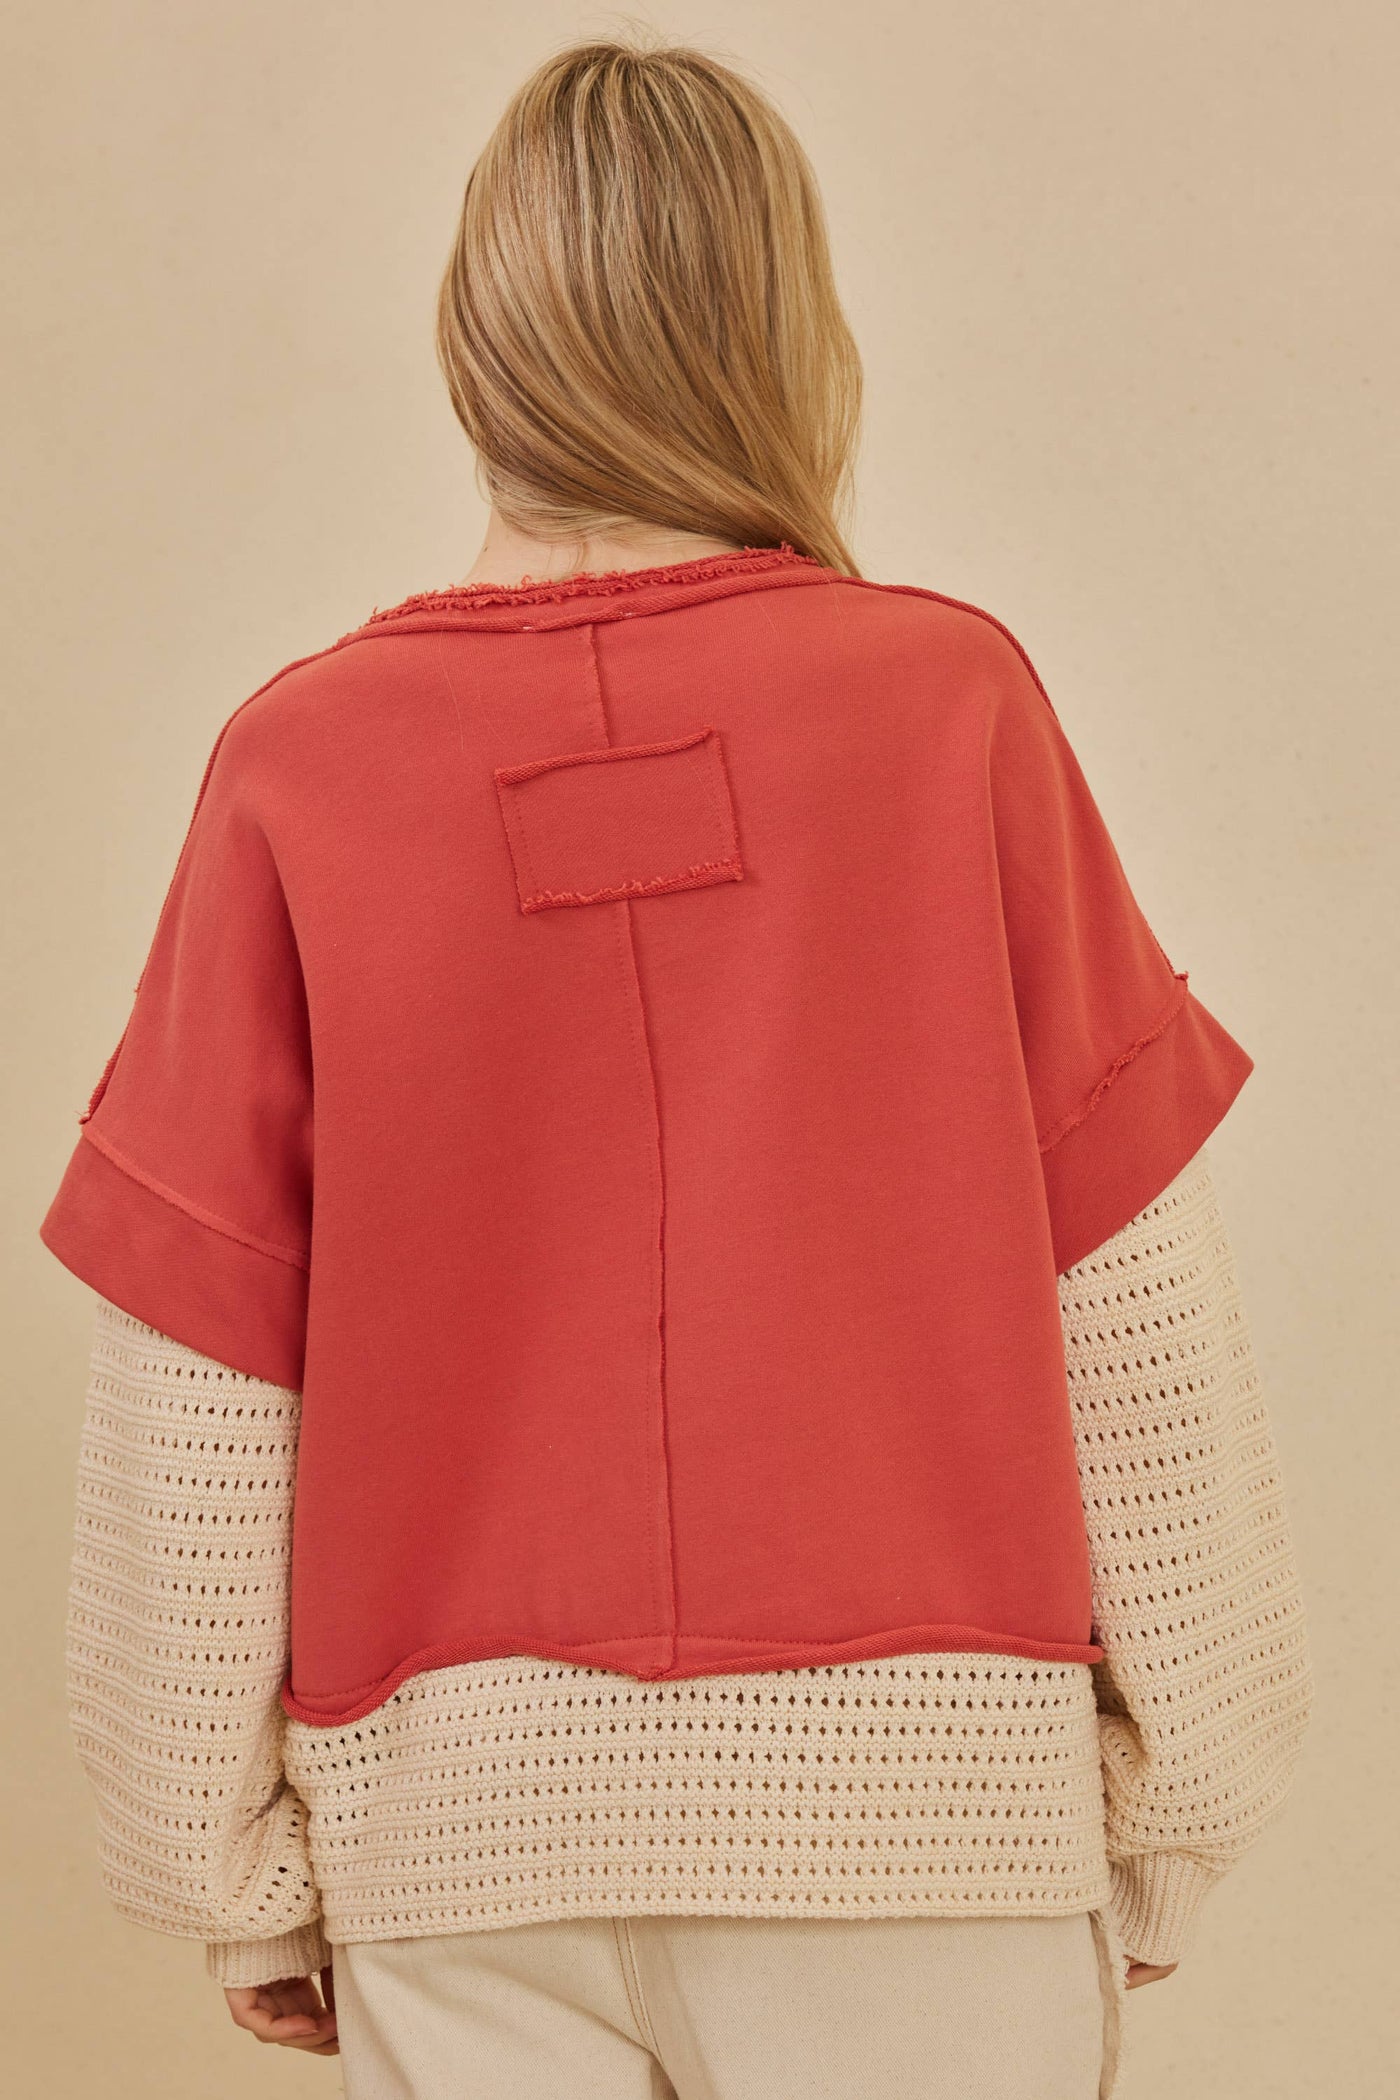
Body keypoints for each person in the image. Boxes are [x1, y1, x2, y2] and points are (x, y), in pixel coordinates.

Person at [40, 33, 1311, 2099]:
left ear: (480, 339)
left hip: (462, 1859)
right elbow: (1136, 1313)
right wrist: (1176, 1807)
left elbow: (195, 1380)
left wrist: (234, 1873)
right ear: (785, 334)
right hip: (919, 1849)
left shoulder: (297, 768)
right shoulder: (947, 708)